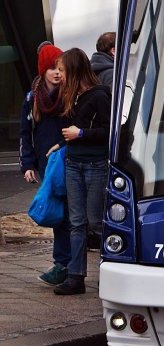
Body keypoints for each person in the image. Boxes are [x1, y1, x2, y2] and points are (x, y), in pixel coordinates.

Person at [54, 48, 113, 296]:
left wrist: (81, 134)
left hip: (94, 165)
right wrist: (64, 141)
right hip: (74, 163)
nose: (59, 75)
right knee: (77, 222)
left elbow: (109, 131)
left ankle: (108, 274)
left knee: (96, 223)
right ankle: (75, 276)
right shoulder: (72, 96)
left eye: (62, 70)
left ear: (74, 70)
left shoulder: (99, 95)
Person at [17, 44, 71, 286]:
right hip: (45, 163)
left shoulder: (70, 95)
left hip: (65, 161)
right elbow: (25, 133)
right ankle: (63, 264)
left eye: (59, 67)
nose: (57, 73)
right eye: (52, 68)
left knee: (70, 215)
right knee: (56, 213)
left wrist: (60, 147)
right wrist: (27, 164)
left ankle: (66, 264)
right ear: (43, 71)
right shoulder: (32, 99)